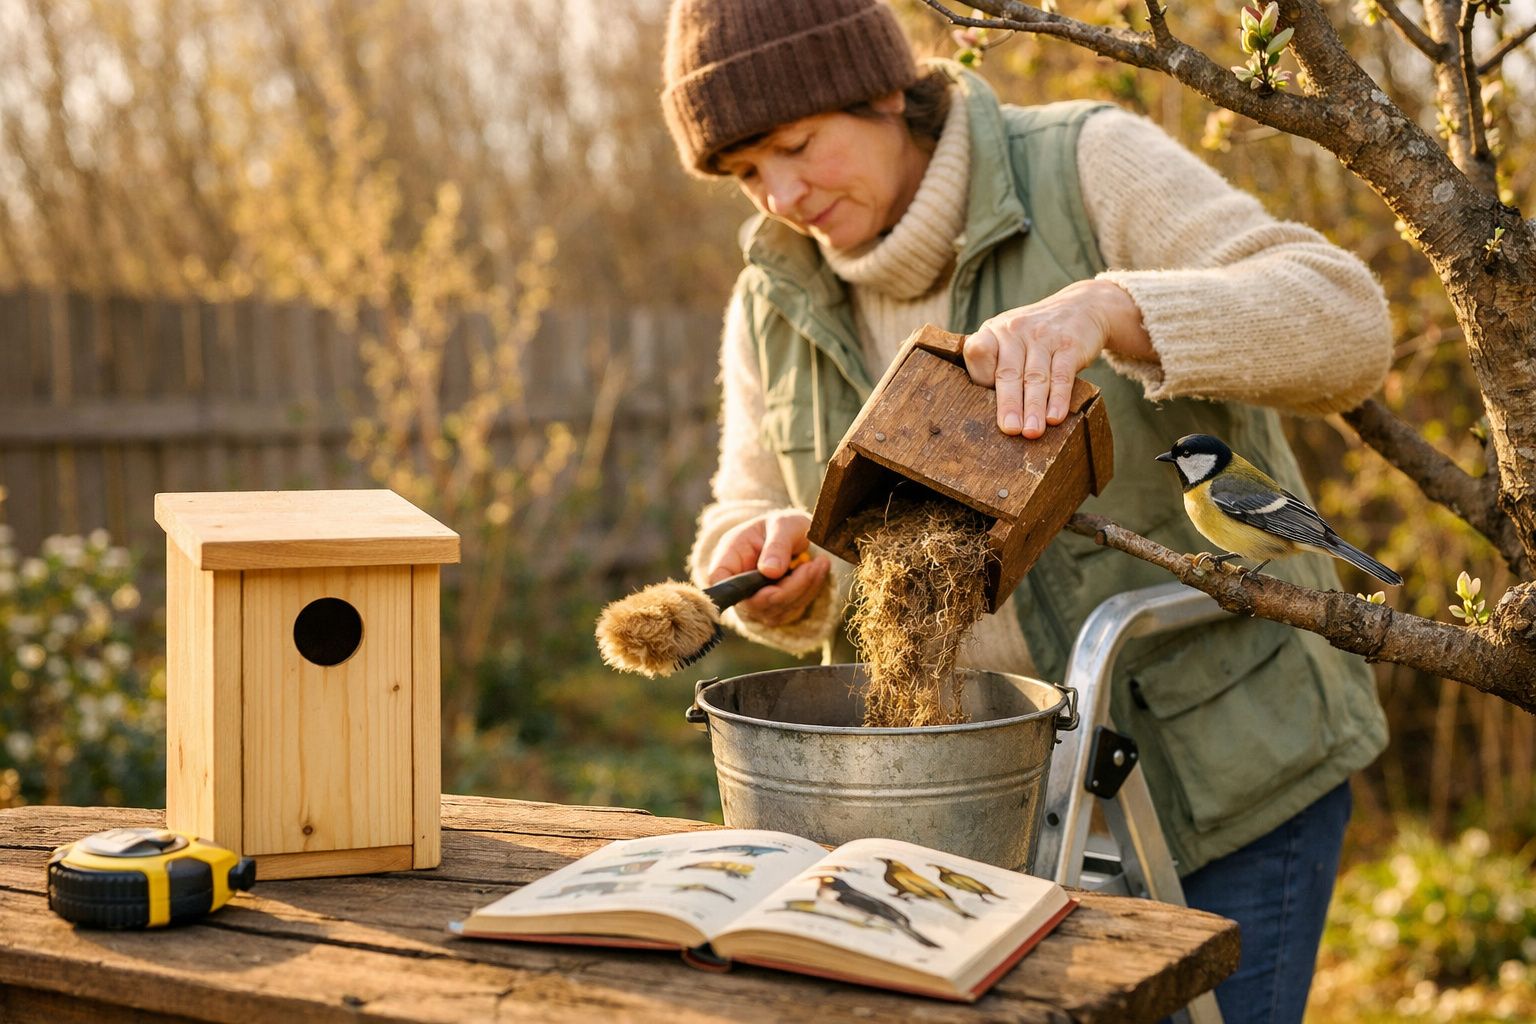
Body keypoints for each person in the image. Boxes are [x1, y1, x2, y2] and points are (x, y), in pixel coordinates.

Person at [660, 2, 1391, 1020]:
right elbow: (749, 496)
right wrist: (770, 562)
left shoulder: (1088, 161)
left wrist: (1114, 308)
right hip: (953, 822)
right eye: (745, 173)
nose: (781, 195)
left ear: (884, 94)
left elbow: (1347, 321)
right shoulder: (770, 293)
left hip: (1206, 788)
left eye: (795, 144)